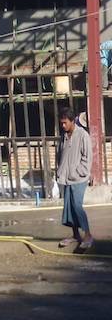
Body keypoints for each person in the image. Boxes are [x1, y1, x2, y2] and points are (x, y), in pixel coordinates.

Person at [56, 107, 94, 249]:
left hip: (78, 178)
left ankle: (88, 235)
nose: (63, 125)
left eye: (65, 123)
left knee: (77, 206)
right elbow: (60, 154)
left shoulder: (83, 135)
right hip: (66, 178)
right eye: (61, 123)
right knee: (69, 207)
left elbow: (87, 158)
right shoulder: (64, 136)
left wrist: (78, 172)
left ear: (72, 121)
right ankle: (75, 235)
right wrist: (60, 171)